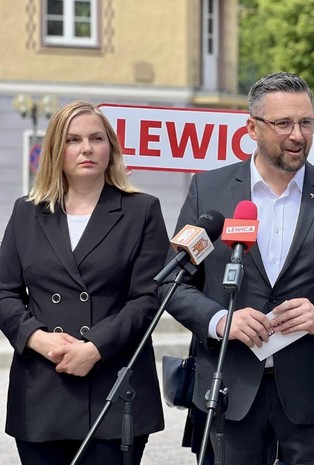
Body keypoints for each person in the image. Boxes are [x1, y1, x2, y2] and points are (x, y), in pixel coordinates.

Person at [161, 72, 314, 465]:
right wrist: (220, 320)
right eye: (283, 123)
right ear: (252, 128)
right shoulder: (209, 191)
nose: (297, 136)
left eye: (306, 123)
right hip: (229, 391)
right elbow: (172, 283)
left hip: (312, 396)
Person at [0, 100, 168, 464]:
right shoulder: (27, 211)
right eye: (73, 140)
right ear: (55, 151)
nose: (87, 148)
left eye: (96, 138)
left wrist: (95, 348)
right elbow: (4, 293)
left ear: (111, 147)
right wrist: (37, 338)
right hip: (43, 389)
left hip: (113, 386)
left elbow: (148, 298)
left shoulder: (142, 210)